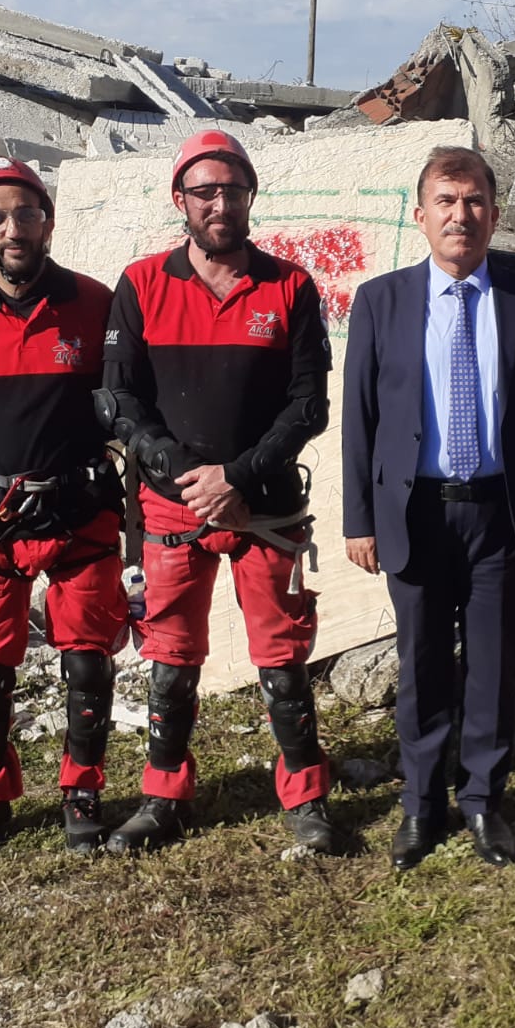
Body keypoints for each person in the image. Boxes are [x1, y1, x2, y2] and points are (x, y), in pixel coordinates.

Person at [97, 130, 335, 856]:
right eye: (205, 191)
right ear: (181, 201)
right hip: (173, 508)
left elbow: (308, 404)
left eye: (233, 189)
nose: (220, 202)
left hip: (264, 504)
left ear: (251, 195)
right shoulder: (139, 286)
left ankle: (307, 796)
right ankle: (164, 794)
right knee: (170, 660)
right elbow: (117, 400)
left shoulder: (291, 286)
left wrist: (237, 477)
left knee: (283, 661)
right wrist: (178, 472)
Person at [341, 145, 515, 870]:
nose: (460, 215)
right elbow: (359, 415)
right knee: (421, 668)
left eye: (474, 201)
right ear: (420, 216)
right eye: (445, 201)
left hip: (498, 516)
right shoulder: (381, 302)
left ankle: (483, 801)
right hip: (414, 515)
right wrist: (358, 519)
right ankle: (420, 806)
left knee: (492, 668)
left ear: (495, 214)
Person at [0, 156, 128, 866]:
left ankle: (82, 794)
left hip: (81, 507)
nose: (15, 227)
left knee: (88, 659)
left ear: (48, 219)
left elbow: (123, 397)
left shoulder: (95, 303)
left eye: (28, 212)